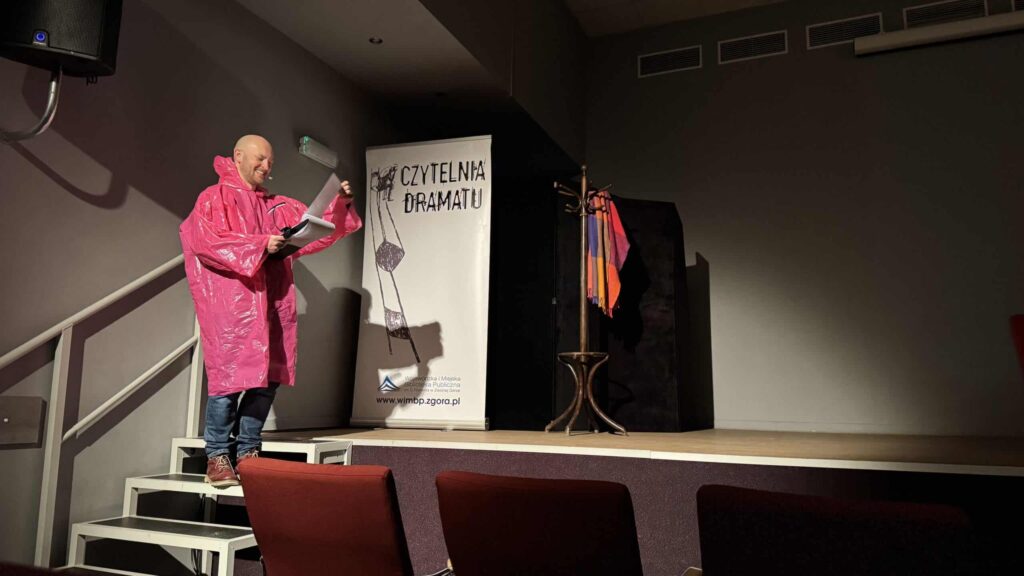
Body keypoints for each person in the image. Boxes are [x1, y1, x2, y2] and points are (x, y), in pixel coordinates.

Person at [180, 135, 362, 487]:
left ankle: (248, 450)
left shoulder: (276, 206)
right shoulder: (213, 199)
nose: (266, 166)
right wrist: (261, 243)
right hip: (232, 306)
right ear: (238, 156)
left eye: (270, 162)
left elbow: (317, 227)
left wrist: (339, 204)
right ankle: (217, 456)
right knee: (228, 382)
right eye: (260, 159)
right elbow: (206, 242)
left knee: (267, 380)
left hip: (273, 302)